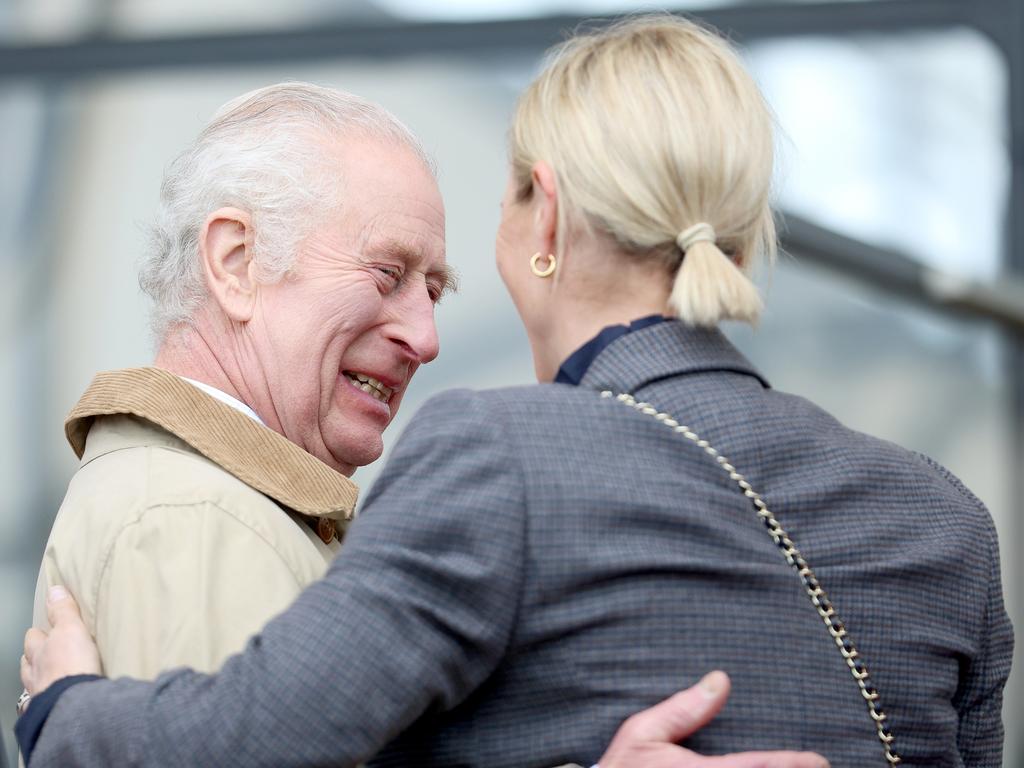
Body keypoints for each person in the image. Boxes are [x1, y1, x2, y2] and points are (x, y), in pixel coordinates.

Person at [20, 12, 1012, 767]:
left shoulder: (500, 460)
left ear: (544, 223)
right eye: (390, 274)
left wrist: (65, 712)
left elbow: (249, 736)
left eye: (439, 278)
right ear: (743, 239)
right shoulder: (946, 522)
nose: (429, 333)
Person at [26, 83, 452, 681]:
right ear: (236, 261)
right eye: (387, 274)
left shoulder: (209, 508)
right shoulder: (198, 521)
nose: (426, 339)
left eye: (433, 291)